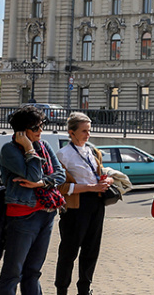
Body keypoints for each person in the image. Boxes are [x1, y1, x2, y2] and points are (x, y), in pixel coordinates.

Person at [0, 105, 67, 295]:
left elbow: (60, 175)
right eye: (35, 127)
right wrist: (29, 148)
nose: (40, 130)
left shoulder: (44, 146)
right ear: (22, 131)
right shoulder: (10, 150)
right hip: (23, 216)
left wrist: (42, 184)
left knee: (33, 272)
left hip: (46, 214)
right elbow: (34, 174)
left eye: (41, 125)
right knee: (13, 273)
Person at [54, 112, 112, 295]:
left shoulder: (92, 151)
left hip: (96, 203)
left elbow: (100, 173)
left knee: (91, 249)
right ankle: (62, 289)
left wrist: (107, 181)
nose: (88, 135)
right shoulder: (63, 154)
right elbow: (60, 186)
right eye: (84, 131)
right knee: (69, 251)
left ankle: (84, 289)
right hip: (75, 207)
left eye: (89, 131)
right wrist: (90, 187)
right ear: (71, 133)